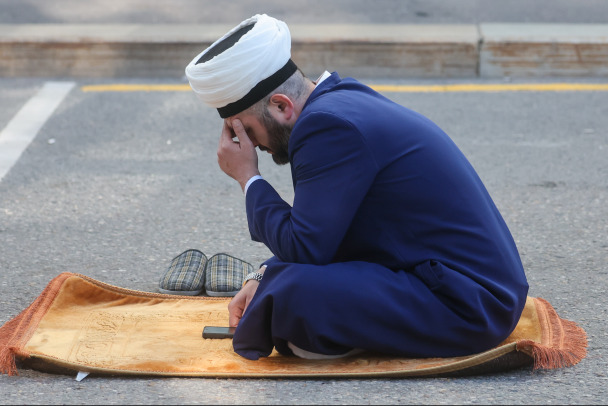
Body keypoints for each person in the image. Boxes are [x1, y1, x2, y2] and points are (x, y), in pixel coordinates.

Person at [185, 14, 529, 361]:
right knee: (276, 283)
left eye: (248, 132)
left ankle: (349, 333)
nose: (253, 148)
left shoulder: (327, 127)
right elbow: (324, 230)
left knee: (290, 298)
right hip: (458, 284)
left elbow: (306, 247)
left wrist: (248, 178)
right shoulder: (338, 101)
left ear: (281, 106)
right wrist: (263, 273)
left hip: (467, 304)